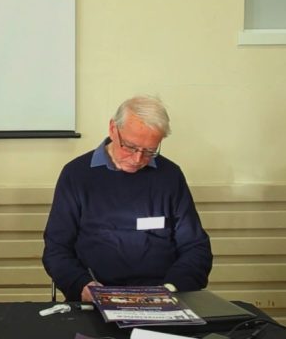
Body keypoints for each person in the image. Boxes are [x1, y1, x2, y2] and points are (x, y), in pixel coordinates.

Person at [42, 95, 212, 302]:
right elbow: (56, 249)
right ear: (113, 129)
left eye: (149, 151)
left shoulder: (170, 176)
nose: (138, 159)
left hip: (162, 297)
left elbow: (196, 248)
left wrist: (170, 289)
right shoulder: (76, 175)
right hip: (96, 297)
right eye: (130, 147)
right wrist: (81, 285)